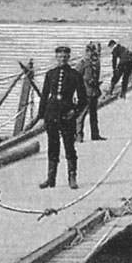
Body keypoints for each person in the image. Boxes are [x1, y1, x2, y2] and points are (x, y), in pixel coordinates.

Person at [37, 46, 87, 189]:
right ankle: (50, 178)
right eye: (59, 57)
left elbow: (83, 100)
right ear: (56, 57)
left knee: (69, 146)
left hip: (67, 115)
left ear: (68, 58)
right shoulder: (50, 74)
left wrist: (74, 112)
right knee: (53, 147)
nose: (62, 59)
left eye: (65, 57)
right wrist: (42, 115)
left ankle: (72, 178)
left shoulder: (75, 75)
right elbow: (44, 96)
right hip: (51, 115)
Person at [74, 43, 105, 141]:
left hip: (94, 92)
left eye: (93, 51)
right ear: (86, 52)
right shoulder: (82, 64)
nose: (91, 53)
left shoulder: (94, 63)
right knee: (81, 115)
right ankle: (79, 135)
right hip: (85, 93)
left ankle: (95, 135)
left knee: (94, 115)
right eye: (90, 51)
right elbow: (75, 77)